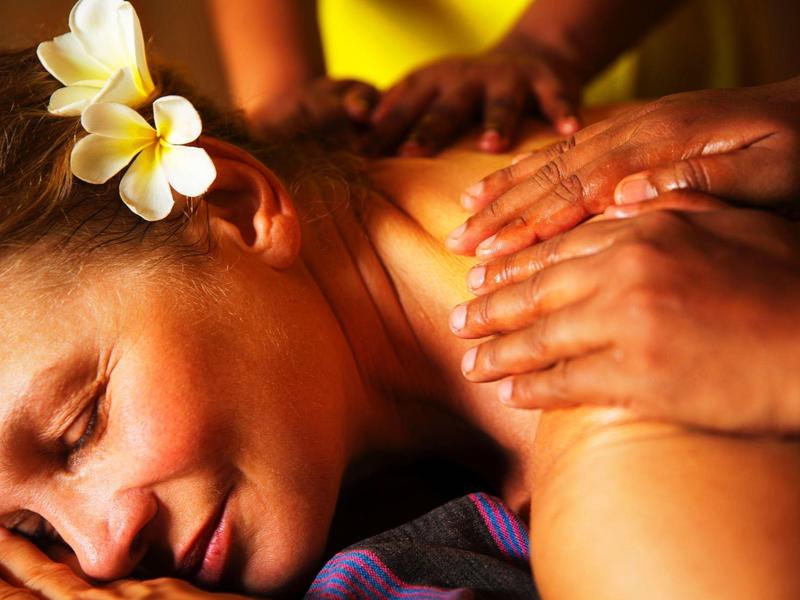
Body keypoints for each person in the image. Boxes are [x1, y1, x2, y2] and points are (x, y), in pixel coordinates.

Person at [1, 8, 800, 600]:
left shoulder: (630, 435)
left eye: (80, 428)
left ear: (238, 206)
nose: (100, 556)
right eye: (37, 533)